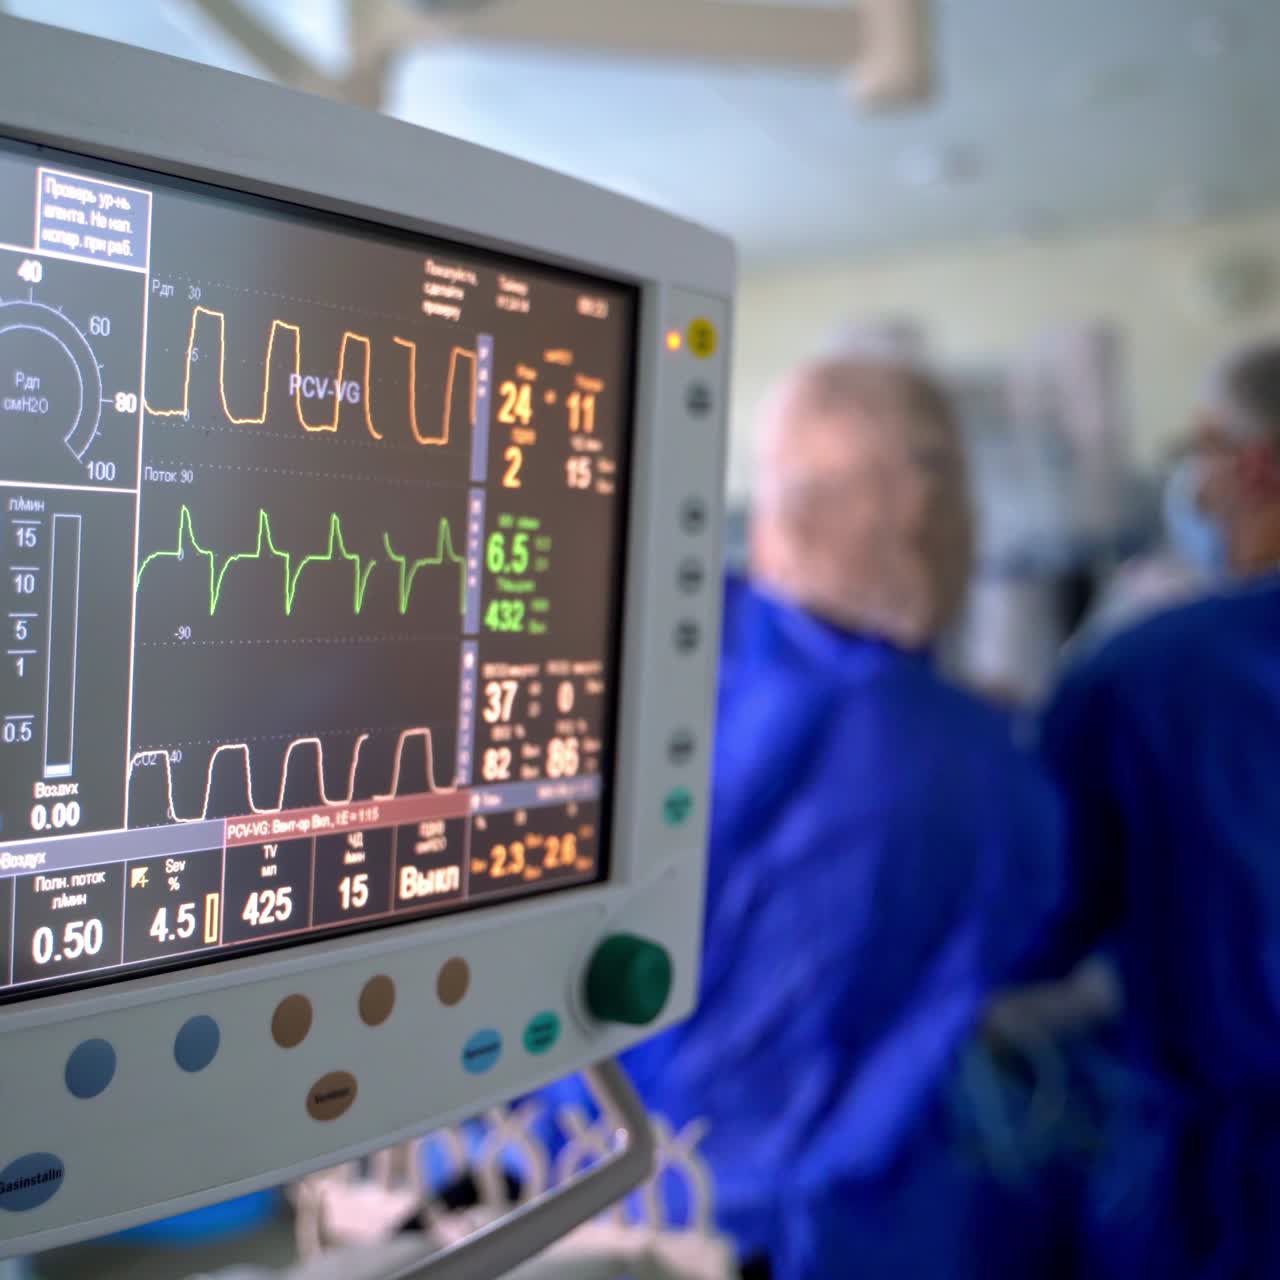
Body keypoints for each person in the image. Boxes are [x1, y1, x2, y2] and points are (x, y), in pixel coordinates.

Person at [543, 356, 1066, 1278]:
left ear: (784, 505)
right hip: (867, 1229)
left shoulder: (653, 667)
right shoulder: (993, 763)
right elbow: (1027, 940)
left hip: (612, 1199)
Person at [1039, 338, 1280, 1278]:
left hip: (1228, 1184)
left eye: (1201, 448)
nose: (1193, 480)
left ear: (1254, 464)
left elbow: (1045, 922)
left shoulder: (1141, 675)